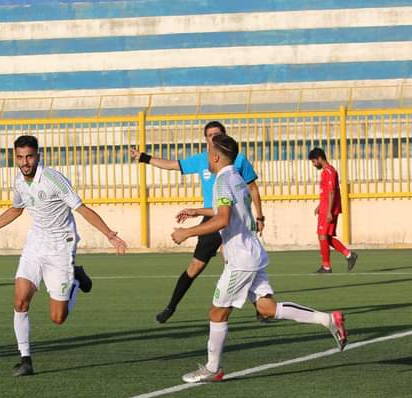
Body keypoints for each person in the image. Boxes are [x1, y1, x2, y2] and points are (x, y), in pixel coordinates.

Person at [171, 135, 348, 383]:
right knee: (267, 309)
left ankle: (213, 369)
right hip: (252, 252)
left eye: (208, 151)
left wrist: (186, 233)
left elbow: (222, 219)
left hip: (241, 259)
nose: (206, 157)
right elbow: (229, 211)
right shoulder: (236, 178)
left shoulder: (222, 180)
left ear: (215, 156)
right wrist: (196, 211)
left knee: (217, 313)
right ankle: (328, 319)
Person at [0, 135, 127, 377]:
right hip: (35, 246)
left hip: (61, 248)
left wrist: (109, 234)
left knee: (58, 318)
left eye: (29, 156)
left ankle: (77, 279)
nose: (24, 162)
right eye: (20, 157)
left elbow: (81, 208)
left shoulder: (53, 178)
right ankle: (25, 359)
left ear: (37, 156)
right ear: (15, 157)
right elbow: (16, 209)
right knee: (20, 301)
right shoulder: (19, 180)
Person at [130, 121, 264, 323]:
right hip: (212, 217)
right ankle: (170, 307)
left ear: (224, 136)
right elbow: (172, 165)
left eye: (217, 134)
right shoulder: (203, 160)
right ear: (206, 139)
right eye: (209, 135)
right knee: (195, 267)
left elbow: (252, 188)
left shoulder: (237, 160)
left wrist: (259, 216)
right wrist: (144, 158)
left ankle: (261, 308)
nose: (213, 138)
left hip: (234, 219)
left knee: (237, 262)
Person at [308, 148, 358, 273]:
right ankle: (349, 255)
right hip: (325, 208)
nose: (313, 165)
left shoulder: (330, 171)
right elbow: (326, 193)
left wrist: (329, 211)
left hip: (329, 210)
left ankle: (326, 266)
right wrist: (320, 205)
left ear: (319, 158)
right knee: (325, 237)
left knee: (322, 236)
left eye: (313, 162)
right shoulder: (325, 172)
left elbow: (331, 192)